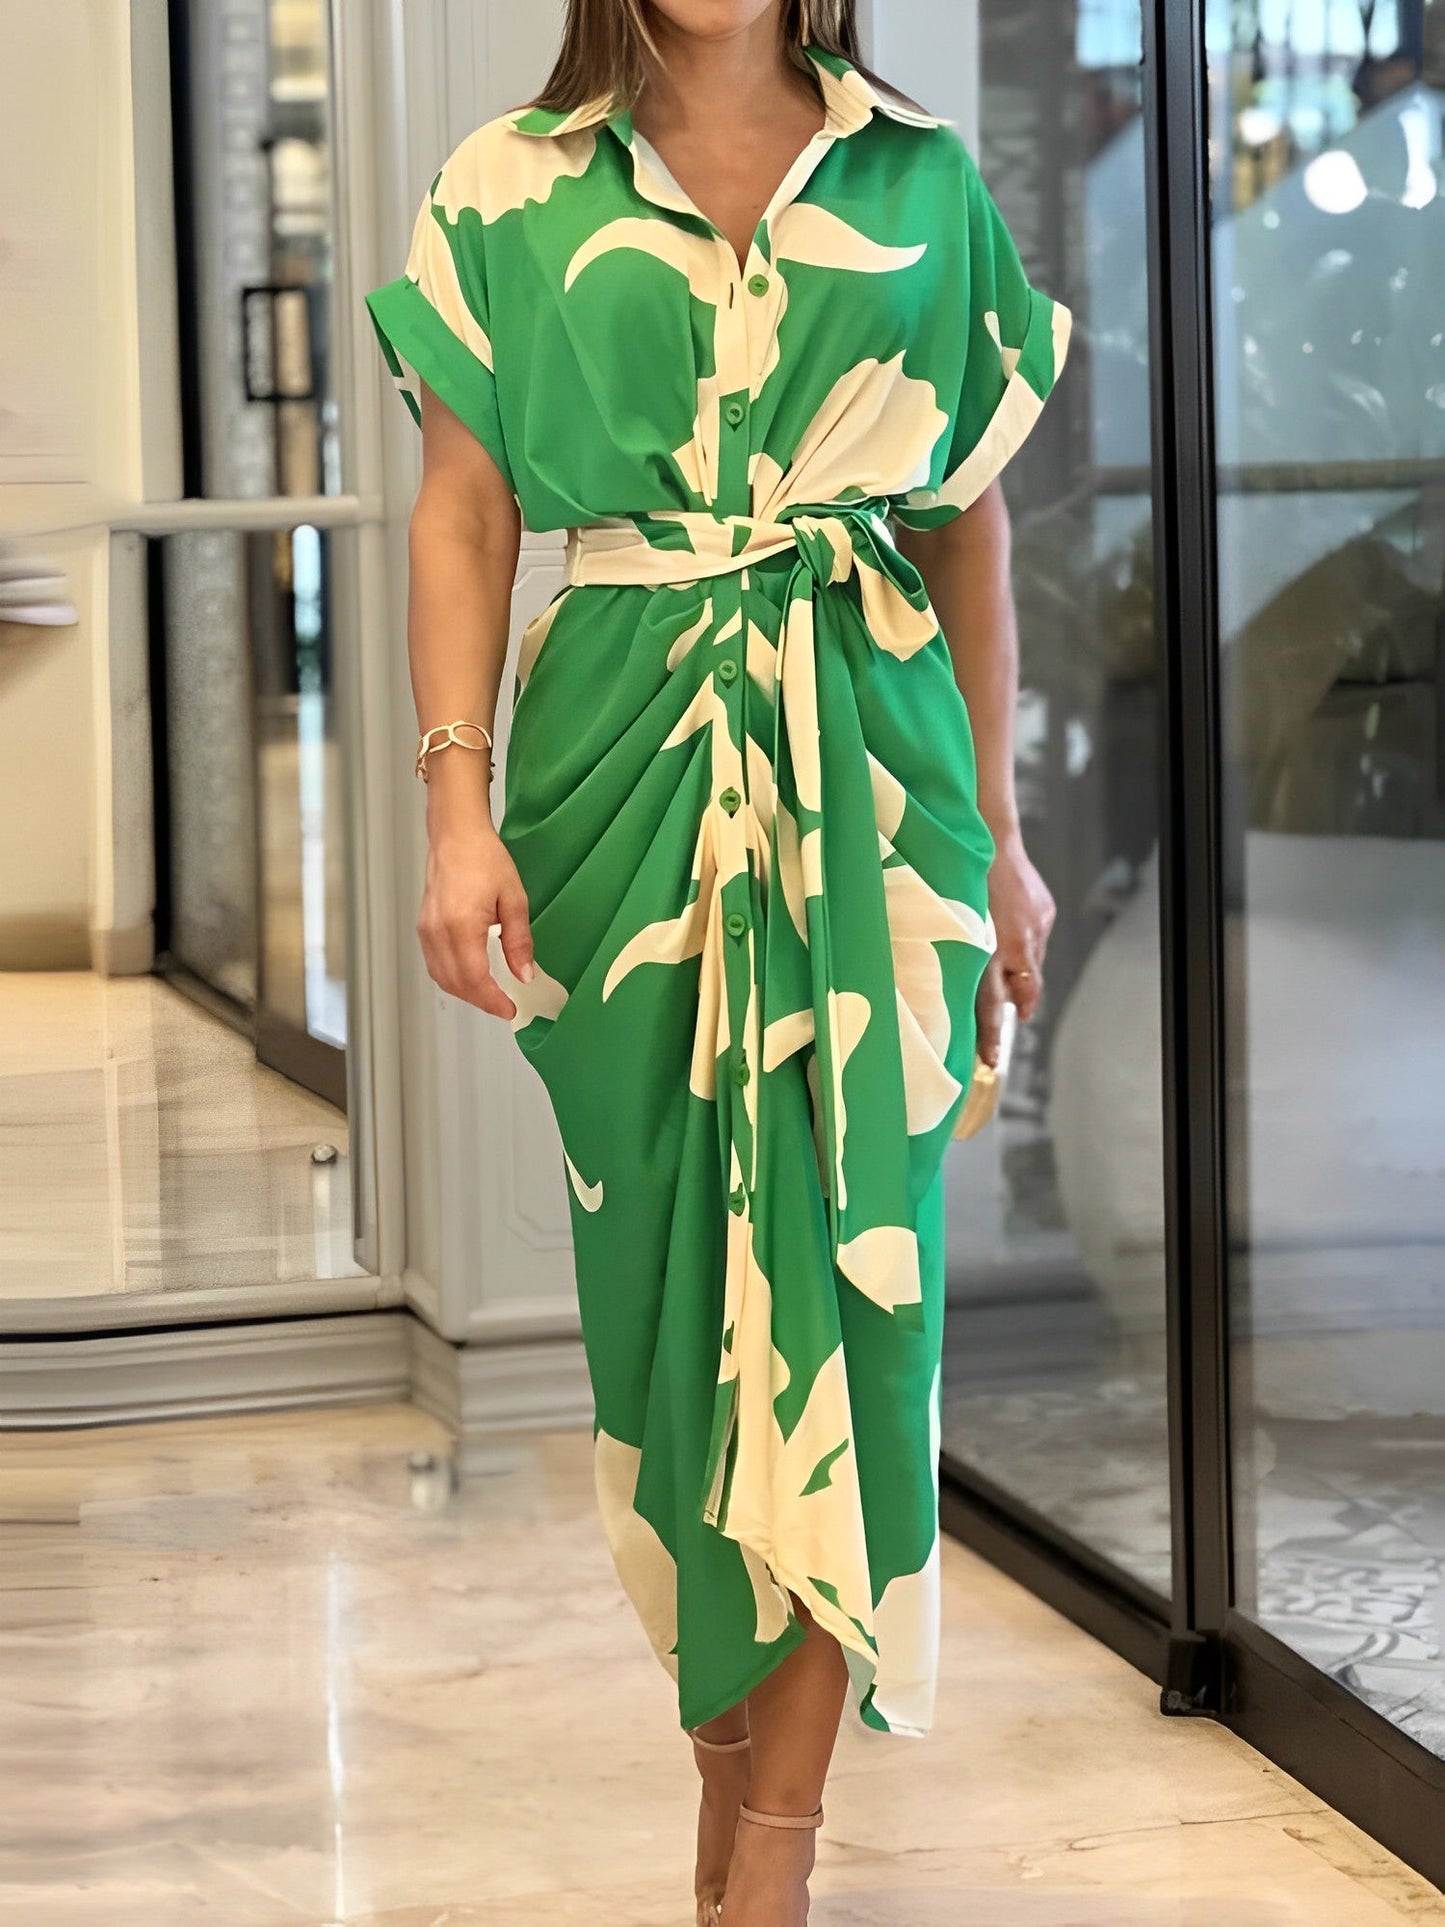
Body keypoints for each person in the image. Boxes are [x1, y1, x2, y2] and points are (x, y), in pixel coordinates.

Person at [365, 3, 1067, 1920]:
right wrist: (453, 811)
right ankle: (726, 1775)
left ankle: (774, 1859)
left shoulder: (921, 183)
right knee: (671, 1316)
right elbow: (466, 512)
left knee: (852, 1299)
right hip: (621, 781)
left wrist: (1002, 834)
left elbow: (965, 529)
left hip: (877, 793)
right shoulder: (503, 188)